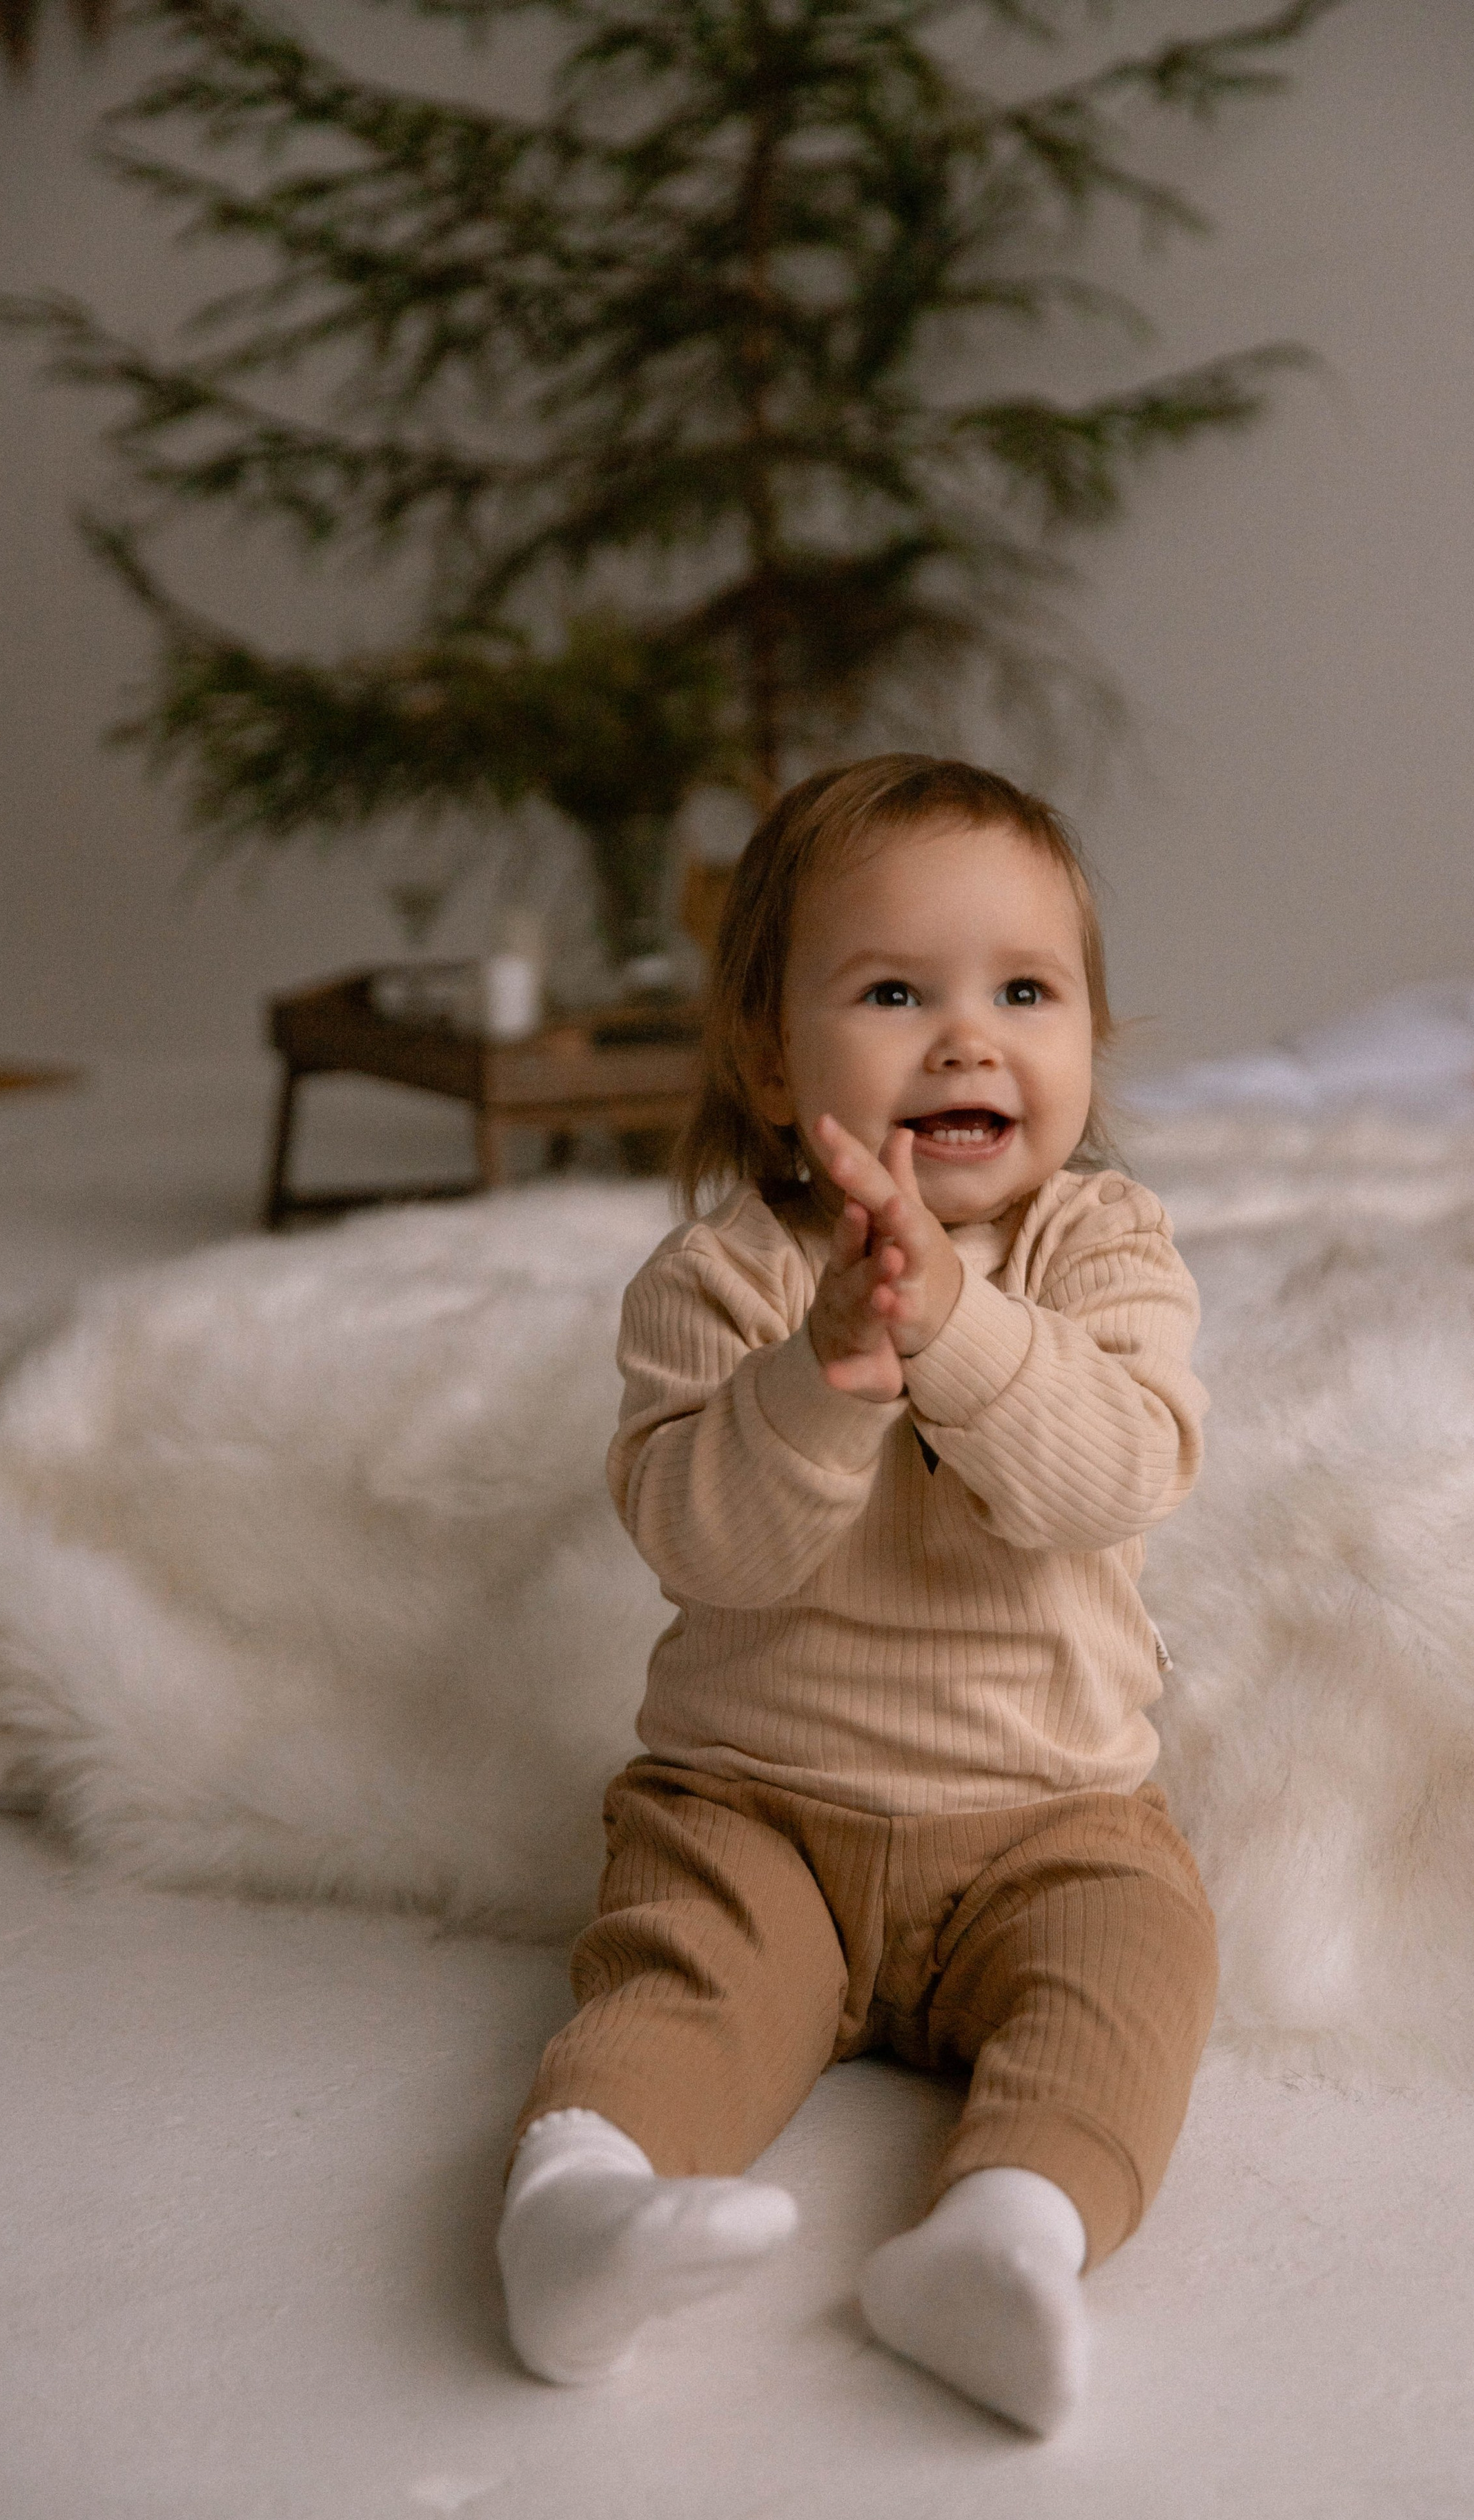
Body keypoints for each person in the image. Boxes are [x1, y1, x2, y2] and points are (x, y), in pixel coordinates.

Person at [496, 756, 1217, 2435]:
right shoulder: (721, 1280)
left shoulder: (1102, 1248)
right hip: (756, 1809)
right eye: (894, 991)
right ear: (767, 1055)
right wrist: (825, 1372)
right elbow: (706, 1544)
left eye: (1023, 991)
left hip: (1049, 1816)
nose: (968, 1037)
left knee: (1140, 1966)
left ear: (1086, 1041)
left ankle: (1002, 2238)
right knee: (675, 1983)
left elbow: (1112, 1471)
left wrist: (955, 1324)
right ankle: (576, 2211)